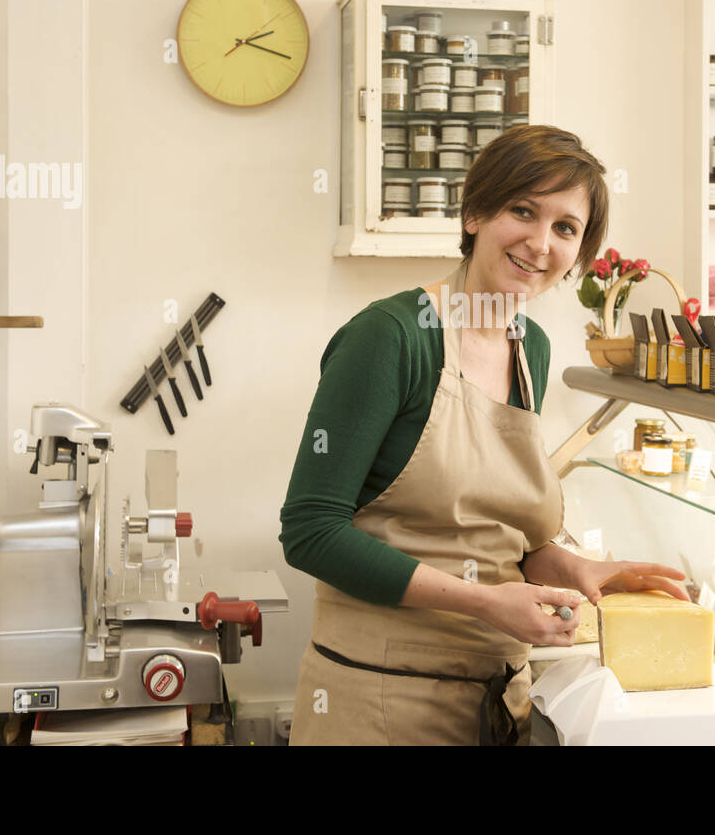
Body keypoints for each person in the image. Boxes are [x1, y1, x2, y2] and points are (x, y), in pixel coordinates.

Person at [279, 124, 689, 746]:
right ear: (474, 212)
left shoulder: (535, 352)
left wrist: (578, 567)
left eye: (565, 228)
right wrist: (485, 601)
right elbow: (310, 531)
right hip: (379, 703)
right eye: (522, 210)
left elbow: (498, 532)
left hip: (497, 702)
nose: (539, 243)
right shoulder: (391, 337)